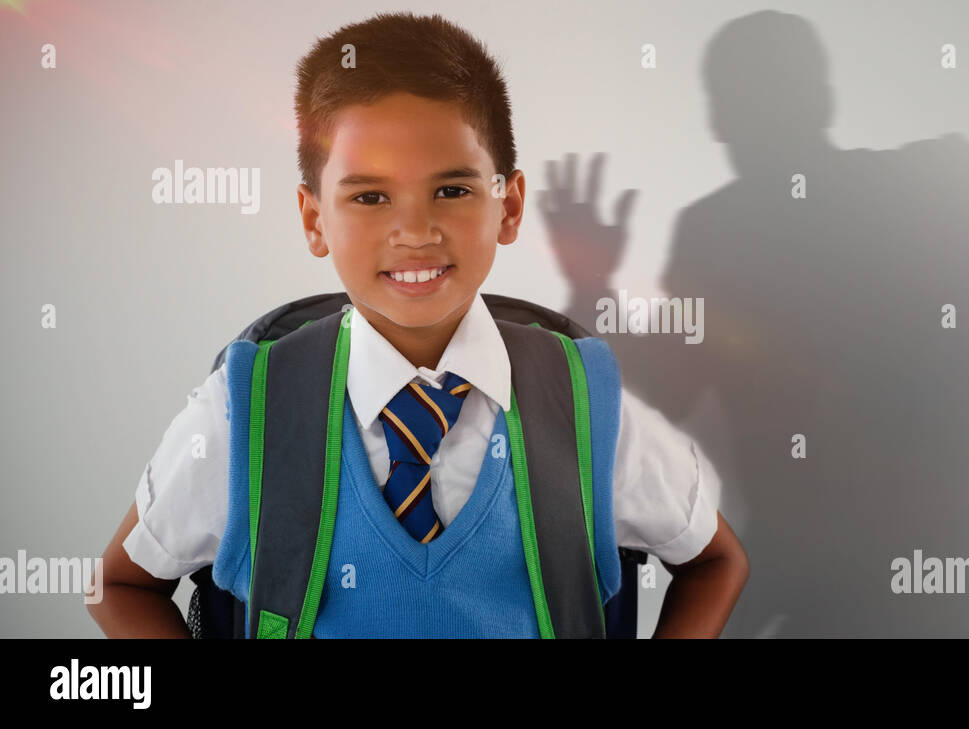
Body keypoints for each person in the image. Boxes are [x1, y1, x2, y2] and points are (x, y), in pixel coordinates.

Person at [86, 11, 748, 638]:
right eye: (370, 196)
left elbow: (715, 561)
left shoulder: (585, 404)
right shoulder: (244, 411)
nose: (415, 230)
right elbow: (121, 585)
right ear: (315, 219)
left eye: (453, 190)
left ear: (509, 206)